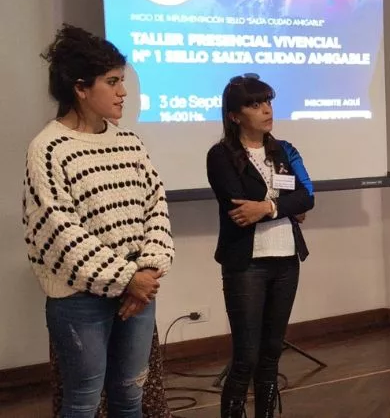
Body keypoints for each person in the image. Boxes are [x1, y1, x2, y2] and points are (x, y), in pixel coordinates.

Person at [23, 24, 174, 417]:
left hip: (137, 291)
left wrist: (147, 271)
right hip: (80, 299)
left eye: (122, 80)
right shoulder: (49, 148)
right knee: (83, 401)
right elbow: (62, 233)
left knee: (130, 397)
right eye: (112, 81)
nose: (123, 91)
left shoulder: (130, 142)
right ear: (81, 88)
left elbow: (156, 208)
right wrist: (128, 279)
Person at [206, 73, 314, 418]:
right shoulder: (221, 155)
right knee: (246, 356)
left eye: (267, 102)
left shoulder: (282, 150)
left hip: (286, 260)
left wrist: (268, 207)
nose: (266, 110)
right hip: (246, 264)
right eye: (254, 104)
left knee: (271, 352)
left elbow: (306, 198)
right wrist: (284, 207)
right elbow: (240, 209)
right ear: (234, 115)